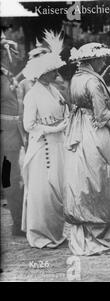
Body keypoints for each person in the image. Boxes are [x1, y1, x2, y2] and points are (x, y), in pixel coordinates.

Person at [64, 43, 110, 256]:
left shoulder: (76, 79)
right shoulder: (93, 82)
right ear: (91, 61)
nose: (104, 62)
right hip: (94, 131)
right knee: (99, 177)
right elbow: (101, 114)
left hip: (78, 130)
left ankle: (84, 234)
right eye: (101, 59)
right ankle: (99, 236)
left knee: (84, 178)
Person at [21, 30, 68, 248]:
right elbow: (28, 125)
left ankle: (55, 232)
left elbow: (63, 109)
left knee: (58, 190)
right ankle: (41, 233)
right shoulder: (33, 94)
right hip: (43, 148)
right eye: (51, 70)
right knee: (44, 191)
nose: (55, 73)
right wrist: (53, 129)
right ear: (41, 73)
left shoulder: (54, 90)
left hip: (58, 145)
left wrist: (65, 122)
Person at [0, 32, 25, 237]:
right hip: (5, 136)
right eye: (14, 52)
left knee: (13, 178)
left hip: (13, 136)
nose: (18, 56)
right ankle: (18, 223)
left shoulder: (7, 75)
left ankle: (19, 222)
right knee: (10, 178)